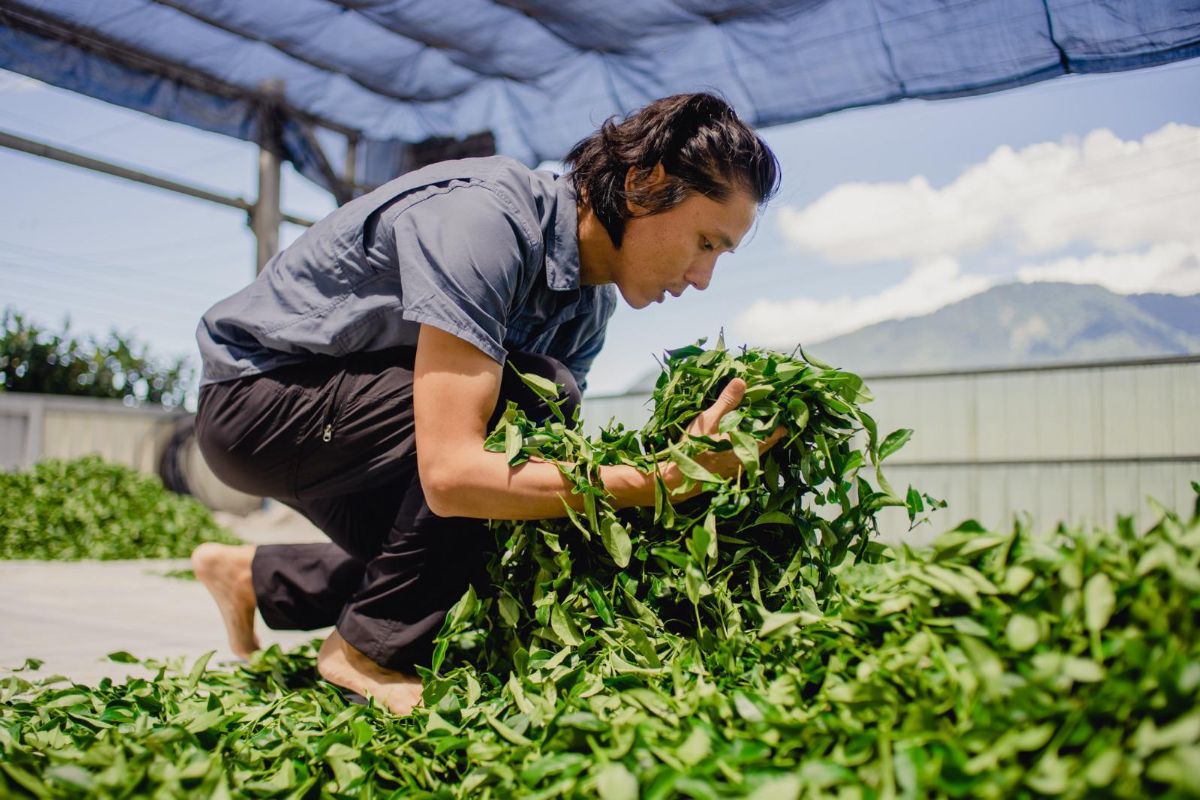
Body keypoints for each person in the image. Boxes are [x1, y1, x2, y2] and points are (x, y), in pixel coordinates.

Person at [191, 92, 782, 714]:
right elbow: (453, 474)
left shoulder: (588, 309)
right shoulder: (488, 219)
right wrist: (660, 479)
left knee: (501, 538)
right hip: (258, 403)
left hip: (355, 434)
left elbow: (525, 476)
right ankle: (363, 653)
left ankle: (256, 578)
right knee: (530, 400)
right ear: (642, 185)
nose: (702, 279)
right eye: (705, 243)